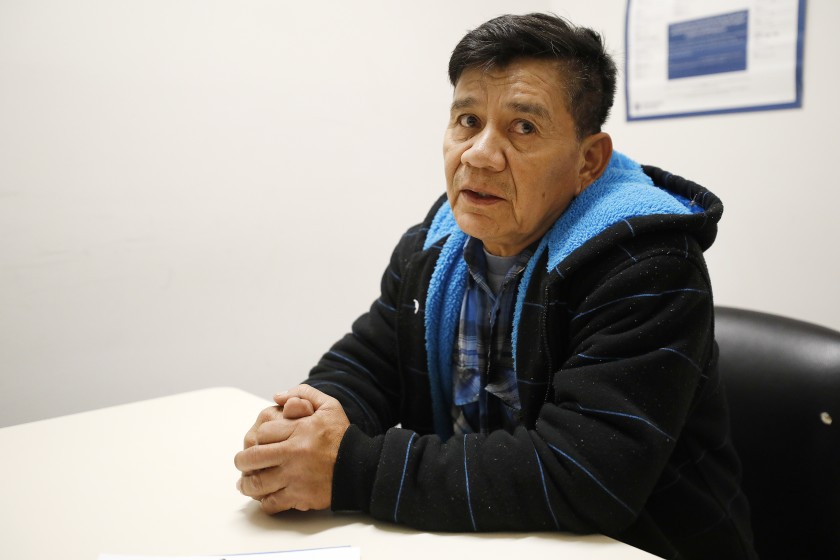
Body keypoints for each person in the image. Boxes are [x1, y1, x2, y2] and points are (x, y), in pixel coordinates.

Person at [234, 13, 758, 560]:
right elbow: (369, 360)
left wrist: (349, 469)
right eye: (467, 120)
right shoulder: (434, 244)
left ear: (588, 161)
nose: (479, 154)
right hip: (478, 536)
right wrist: (304, 424)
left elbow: (581, 477)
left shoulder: (649, 263)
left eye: (523, 127)